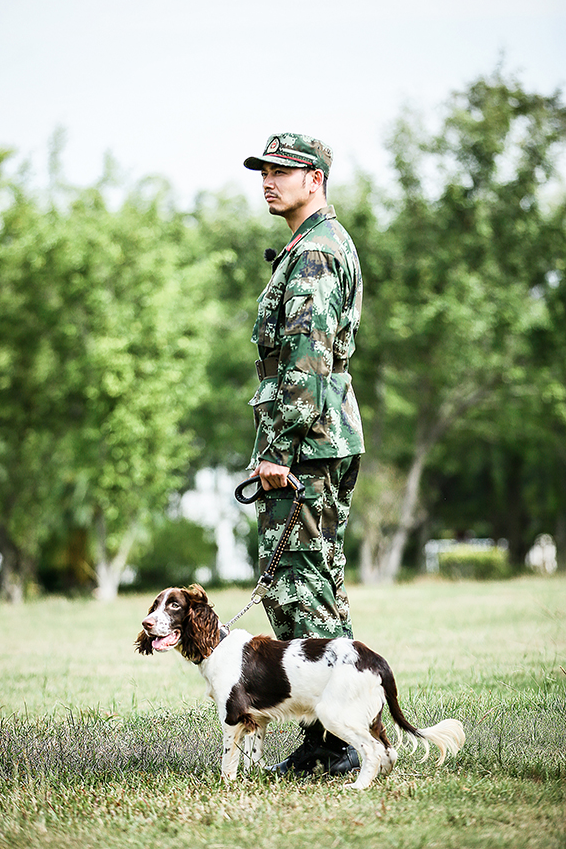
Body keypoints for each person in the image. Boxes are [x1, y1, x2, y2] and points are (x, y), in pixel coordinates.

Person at [243, 133, 364, 775]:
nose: (269, 180)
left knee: (304, 587)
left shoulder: (315, 252)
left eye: (282, 171)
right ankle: (328, 730)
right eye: (264, 171)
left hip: (307, 445)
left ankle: (339, 738)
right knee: (307, 585)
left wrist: (280, 453)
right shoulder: (306, 246)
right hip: (316, 439)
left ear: (314, 179)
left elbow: (307, 364)